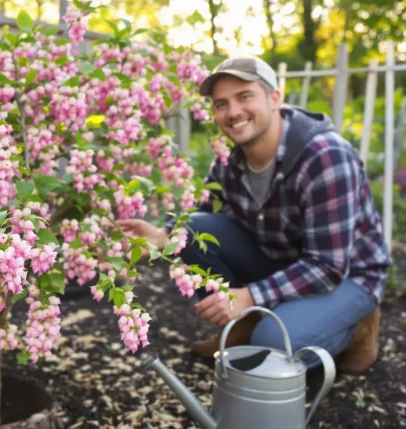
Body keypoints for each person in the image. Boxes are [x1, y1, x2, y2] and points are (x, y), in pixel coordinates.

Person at [118, 56, 390, 376]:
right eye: (221, 104)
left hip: (346, 276)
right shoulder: (230, 160)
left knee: (271, 346)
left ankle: (354, 328)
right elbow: (202, 217)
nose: (233, 112)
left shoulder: (324, 157)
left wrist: (249, 295)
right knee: (190, 230)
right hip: (285, 260)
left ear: (275, 97)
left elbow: (328, 265)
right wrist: (164, 237)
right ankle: (243, 328)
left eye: (245, 97)